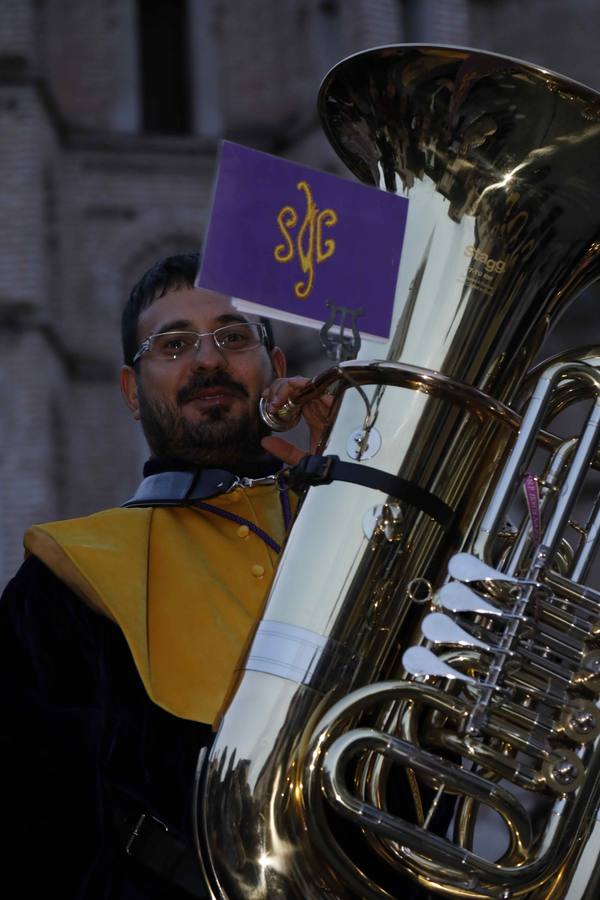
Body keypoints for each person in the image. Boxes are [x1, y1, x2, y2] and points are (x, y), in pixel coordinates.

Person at [0, 252, 332, 899]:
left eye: (233, 337)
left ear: (279, 370)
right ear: (132, 392)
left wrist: (365, 497)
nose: (208, 360)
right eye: (173, 344)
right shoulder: (63, 582)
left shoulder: (360, 526)